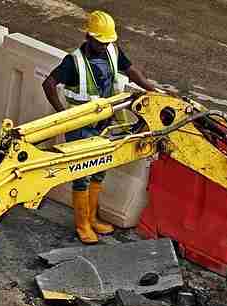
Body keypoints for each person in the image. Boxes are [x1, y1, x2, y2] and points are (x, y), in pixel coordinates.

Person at [42, 10, 158, 244]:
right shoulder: (73, 62)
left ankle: (93, 218)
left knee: (98, 171)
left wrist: (150, 88)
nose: (105, 46)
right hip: (81, 127)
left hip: (105, 124)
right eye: (101, 42)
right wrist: (62, 113)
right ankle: (82, 224)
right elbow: (49, 83)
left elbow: (131, 70)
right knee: (82, 175)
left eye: (108, 41)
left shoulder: (112, 50)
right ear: (89, 37)